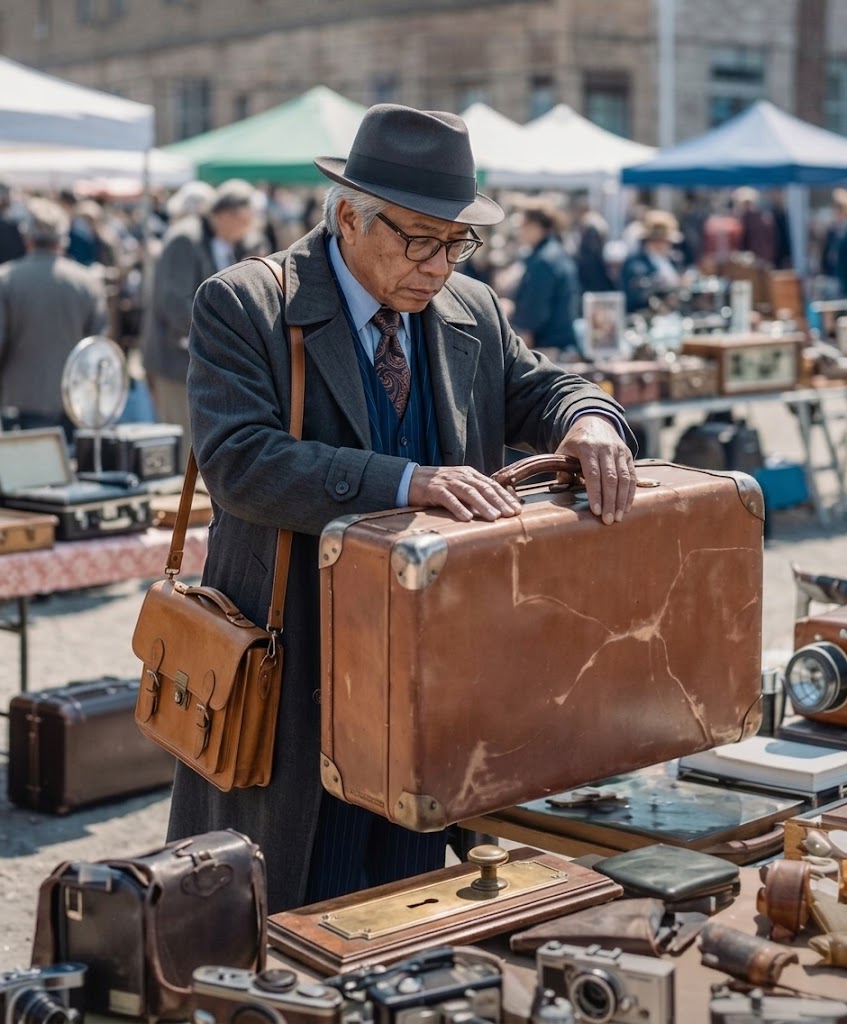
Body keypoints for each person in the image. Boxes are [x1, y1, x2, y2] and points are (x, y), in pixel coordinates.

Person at [166, 103, 638, 914]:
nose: (439, 264)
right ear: (349, 215)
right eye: (420, 239)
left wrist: (590, 419)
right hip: (296, 663)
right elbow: (239, 462)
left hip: (430, 672)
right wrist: (403, 479)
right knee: (281, 905)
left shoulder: (472, 309)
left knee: (418, 897)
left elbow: (546, 386)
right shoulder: (243, 303)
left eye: (458, 243)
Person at [141, 178, 259, 448]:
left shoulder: (232, 242)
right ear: (228, 215)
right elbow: (173, 303)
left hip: (207, 358)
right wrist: (218, 337)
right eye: (246, 220)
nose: (250, 227)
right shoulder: (185, 238)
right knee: (183, 444)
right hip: (176, 360)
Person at [0, 197, 108, 439]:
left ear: (27, 237)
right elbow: (97, 347)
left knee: (24, 475)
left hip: (19, 401)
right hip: (74, 401)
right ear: (63, 239)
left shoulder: (6, 280)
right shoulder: (87, 282)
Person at [509, 199, 582, 354]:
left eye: (522, 226)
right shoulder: (555, 252)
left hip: (549, 345)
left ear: (535, 227)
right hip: (561, 341)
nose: (519, 231)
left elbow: (535, 311)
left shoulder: (544, 260)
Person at [619, 209, 686, 314]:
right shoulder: (635, 264)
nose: (662, 244)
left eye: (664, 240)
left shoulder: (674, 260)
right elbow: (637, 294)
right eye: (656, 240)